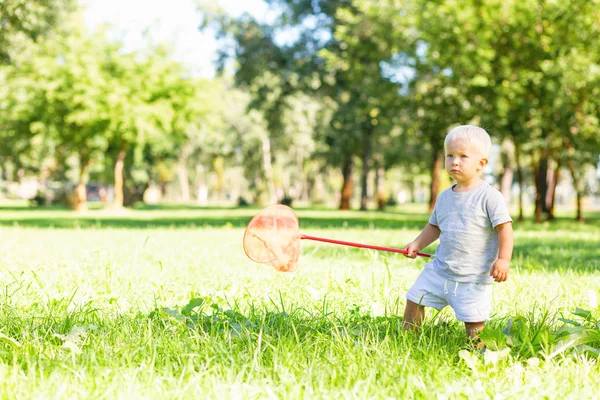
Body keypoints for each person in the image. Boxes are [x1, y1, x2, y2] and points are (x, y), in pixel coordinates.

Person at [402, 125, 514, 345]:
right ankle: (407, 341)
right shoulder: (444, 197)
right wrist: (417, 243)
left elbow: (505, 228)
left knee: (473, 322)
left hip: (472, 277)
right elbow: (434, 226)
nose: (454, 161)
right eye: (450, 155)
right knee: (414, 299)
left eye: (463, 156)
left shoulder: (489, 197)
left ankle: (478, 352)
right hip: (440, 269)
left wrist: (503, 259)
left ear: (481, 164)